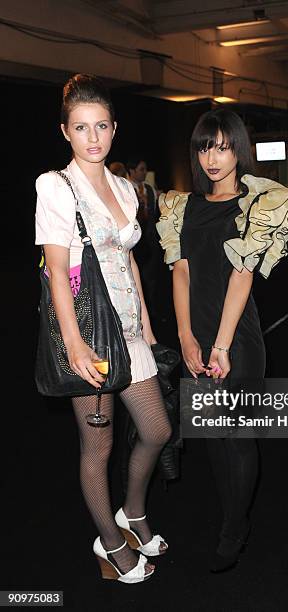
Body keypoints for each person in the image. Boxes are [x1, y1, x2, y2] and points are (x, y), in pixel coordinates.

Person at [35, 74, 171, 583]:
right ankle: (110, 543)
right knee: (99, 446)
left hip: (132, 331)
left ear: (114, 129)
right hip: (92, 334)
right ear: (65, 132)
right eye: (80, 128)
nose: (92, 137)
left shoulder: (122, 187)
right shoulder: (56, 186)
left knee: (158, 429)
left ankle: (131, 512)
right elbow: (55, 268)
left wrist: (151, 332)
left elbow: (131, 264)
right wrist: (74, 341)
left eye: (101, 127)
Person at [156, 108, 288, 572]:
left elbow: (242, 276)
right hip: (195, 338)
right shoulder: (183, 205)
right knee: (211, 434)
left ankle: (235, 527)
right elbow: (181, 273)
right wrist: (185, 338)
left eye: (222, 145)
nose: (213, 157)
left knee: (236, 437)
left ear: (239, 147)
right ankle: (229, 514)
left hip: (237, 339)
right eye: (204, 146)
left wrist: (218, 345)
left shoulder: (260, 204)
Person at [126, 156, 162, 318]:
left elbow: (155, 212)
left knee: (152, 279)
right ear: (132, 171)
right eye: (141, 169)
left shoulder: (149, 189)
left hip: (151, 240)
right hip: (135, 243)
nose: (144, 172)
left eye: (145, 169)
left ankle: (153, 312)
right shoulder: (125, 188)